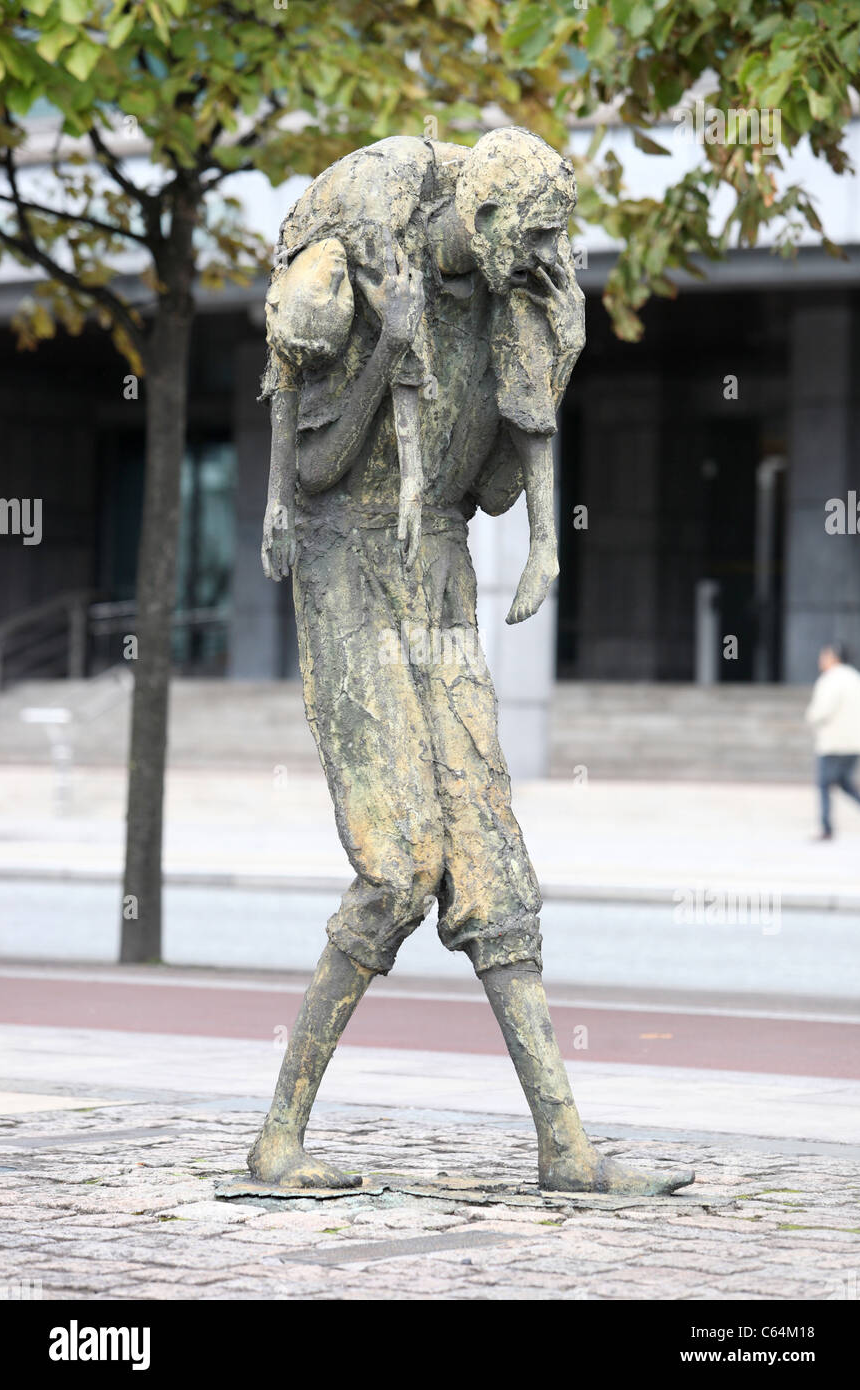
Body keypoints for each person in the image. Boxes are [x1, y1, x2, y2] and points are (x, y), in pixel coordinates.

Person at [253, 128, 694, 1197]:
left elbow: (521, 426)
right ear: (488, 220)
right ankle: (276, 1141)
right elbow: (312, 464)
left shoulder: (510, 291)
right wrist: (391, 342)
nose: (548, 254)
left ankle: (564, 1147)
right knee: (398, 864)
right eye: (535, 234)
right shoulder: (372, 262)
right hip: (348, 561)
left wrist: (544, 536)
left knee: (491, 860)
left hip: (437, 564)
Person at [805, 642, 860, 839]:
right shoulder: (858, 679)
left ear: (833, 657)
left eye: (824, 656)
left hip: (833, 742)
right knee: (845, 784)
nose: (820, 660)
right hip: (855, 742)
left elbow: (821, 711)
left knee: (824, 784)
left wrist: (811, 717)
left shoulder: (830, 680)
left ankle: (826, 827)